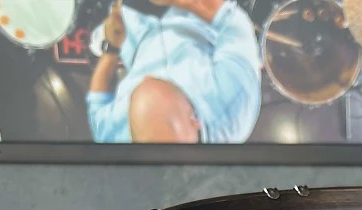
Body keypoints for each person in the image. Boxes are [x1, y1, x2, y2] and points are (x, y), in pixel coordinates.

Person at [87, 0, 261, 143]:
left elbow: (97, 101)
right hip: (196, 17)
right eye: (171, 88)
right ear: (195, 121)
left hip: (132, 32)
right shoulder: (234, 104)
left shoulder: (112, 139)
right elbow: (231, 20)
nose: (148, 77)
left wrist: (111, 49)